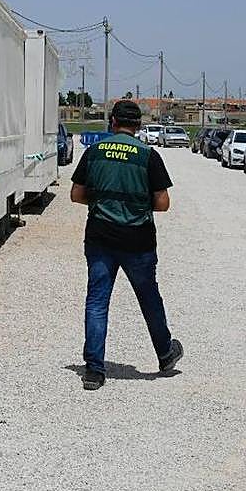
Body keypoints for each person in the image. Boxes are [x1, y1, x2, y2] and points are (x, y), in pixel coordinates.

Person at [70, 100, 183, 390]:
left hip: (100, 237)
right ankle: (164, 353)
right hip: (138, 240)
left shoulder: (94, 152)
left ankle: (94, 369)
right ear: (139, 125)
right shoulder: (148, 156)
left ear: (112, 122)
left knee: (97, 301)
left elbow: (76, 194)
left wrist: (102, 202)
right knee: (149, 298)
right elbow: (163, 203)